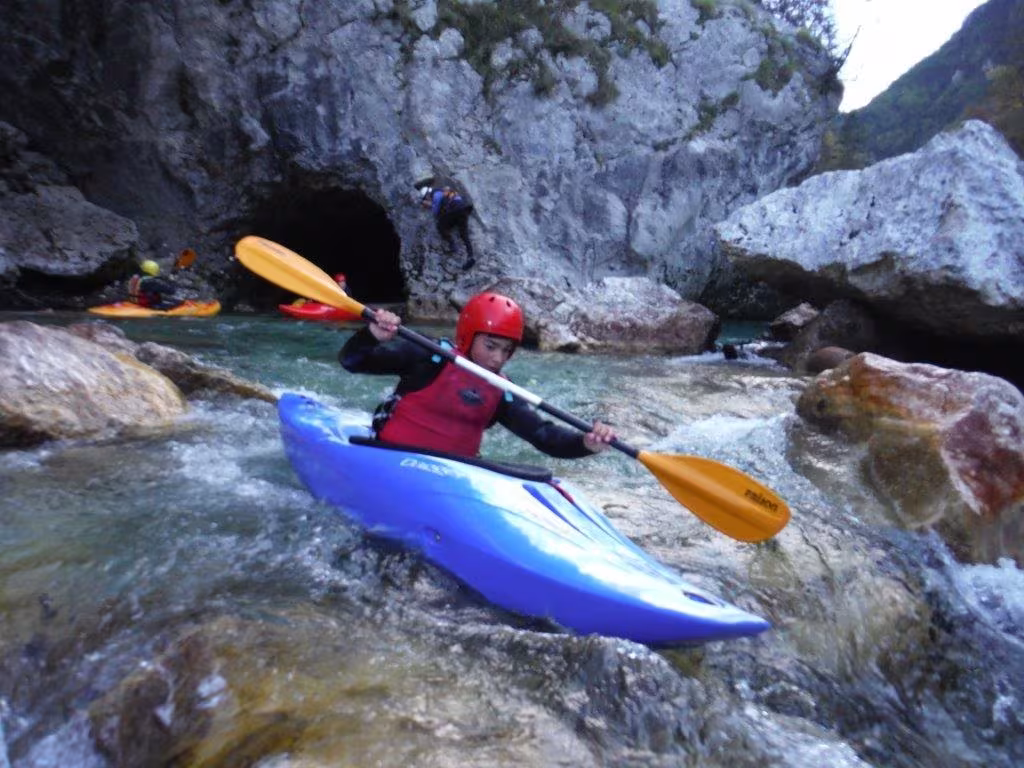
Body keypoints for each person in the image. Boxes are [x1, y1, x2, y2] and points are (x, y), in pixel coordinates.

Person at [339, 291, 616, 459]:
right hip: (390, 457)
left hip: (454, 474)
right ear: (467, 337)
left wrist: (586, 443)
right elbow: (352, 361)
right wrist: (372, 335)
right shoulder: (429, 356)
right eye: (490, 346)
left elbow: (543, 435)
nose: (497, 358)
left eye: (506, 350)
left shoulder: (501, 391)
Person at [418, 182, 476, 271]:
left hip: (455, 211)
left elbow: (436, 212)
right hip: (462, 210)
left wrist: (428, 205)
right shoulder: (443, 192)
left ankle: (452, 244)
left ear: (428, 194)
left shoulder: (436, 194)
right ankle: (470, 256)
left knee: (440, 226)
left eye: (426, 197)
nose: (427, 199)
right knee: (464, 234)